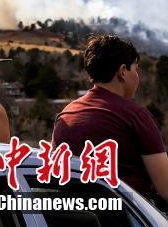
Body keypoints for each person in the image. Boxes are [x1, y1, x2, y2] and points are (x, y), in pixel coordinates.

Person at [53, 35, 168, 203]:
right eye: (136, 69)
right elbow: (165, 188)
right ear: (122, 71)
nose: (137, 77)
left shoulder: (67, 114)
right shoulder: (135, 115)